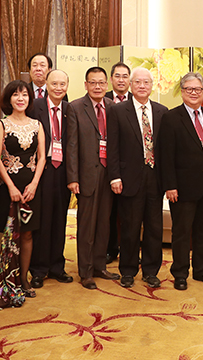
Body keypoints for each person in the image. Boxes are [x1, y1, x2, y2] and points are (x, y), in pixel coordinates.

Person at [158, 72, 203, 291]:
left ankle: (202, 270)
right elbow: (165, 155)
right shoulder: (171, 117)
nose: (194, 93)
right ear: (182, 91)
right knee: (182, 232)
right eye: (189, 89)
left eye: (198, 89)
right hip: (182, 187)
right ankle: (180, 273)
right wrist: (170, 185)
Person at [108, 67, 168, 289]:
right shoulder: (117, 111)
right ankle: (128, 270)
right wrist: (114, 176)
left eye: (146, 82)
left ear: (152, 86)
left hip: (155, 177)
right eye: (138, 82)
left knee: (154, 228)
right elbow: (112, 147)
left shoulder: (162, 111)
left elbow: (167, 150)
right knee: (130, 228)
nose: (142, 86)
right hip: (128, 177)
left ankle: (151, 271)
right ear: (131, 85)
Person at [67, 66, 120, 290]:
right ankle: (86, 271)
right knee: (86, 225)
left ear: (107, 84)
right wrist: (73, 178)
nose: (97, 86)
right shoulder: (75, 107)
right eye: (93, 82)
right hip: (87, 174)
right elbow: (71, 145)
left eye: (101, 82)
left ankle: (100, 266)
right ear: (86, 85)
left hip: (109, 174)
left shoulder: (113, 107)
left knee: (104, 224)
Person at [0, 80, 46, 305]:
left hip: (31, 189)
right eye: (15, 95)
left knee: (27, 234)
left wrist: (34, 184)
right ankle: (6, 279)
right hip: (8, 188)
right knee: (8, 234)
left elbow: (42, 157)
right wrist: (11, 187)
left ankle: (23, 279)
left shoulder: (37, 125)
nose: (20, 98)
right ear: (9, 99)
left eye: (24, 94)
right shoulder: (1, 124)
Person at [28, 70, 74, 289]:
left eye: (62, 84)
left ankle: (57, 266)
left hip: (62, 170)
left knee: (59, 219)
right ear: (46, 84)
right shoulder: (35, 106)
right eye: (54, 83)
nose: (58, 87)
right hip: (42, 169)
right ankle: (38, 269)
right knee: (42, 220)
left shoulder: (69, 109)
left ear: (67, 86)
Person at [104, 62, 131, 264]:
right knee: (110, 212)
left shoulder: (138, 100)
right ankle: (110, 249)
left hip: (131, 166)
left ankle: (130, 251)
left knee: (130, 214)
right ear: (111, 79)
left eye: (125, 76)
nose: (121, 80)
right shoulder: (102, 100)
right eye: (117, 76)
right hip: (108, 163)